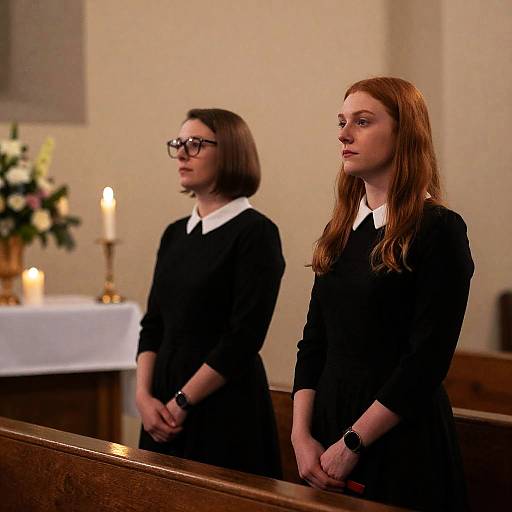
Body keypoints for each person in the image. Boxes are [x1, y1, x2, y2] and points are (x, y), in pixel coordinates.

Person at [291, 77, 474, 511]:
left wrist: (352, 443)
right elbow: (313, 343)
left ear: (403, 132)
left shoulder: (438, 230)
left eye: (362, 121)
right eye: (342, 122)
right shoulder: (340, 232)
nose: (343, 134)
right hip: (327, 426)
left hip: (397, 437)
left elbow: (426, 361)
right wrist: (302, 437)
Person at [136, 108, 284, 478]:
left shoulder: (255, 233)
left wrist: (184, 401)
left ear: (231, 151)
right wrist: (142, 397)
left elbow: (244, 337)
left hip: (222, 407)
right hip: (161, 404)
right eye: (178, 144)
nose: (182, 153)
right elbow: (153, 324)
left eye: (196, 144)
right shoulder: (174, 233)